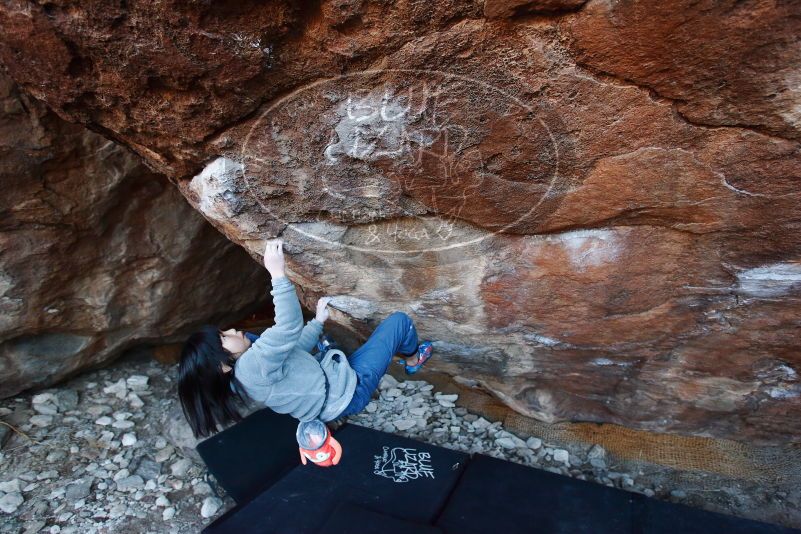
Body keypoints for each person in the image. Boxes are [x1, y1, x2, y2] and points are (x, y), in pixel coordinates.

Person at [178, 238, 434, 464]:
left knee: (315, 344)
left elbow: (292, 350)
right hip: (348, 390)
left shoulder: (244, 375)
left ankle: (324, 426)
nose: (233, 330)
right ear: (222, 365)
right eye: (224, 338)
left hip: (328, 394)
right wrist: (277, 274)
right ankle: (412, 359)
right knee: (399, 322)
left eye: (224, 331)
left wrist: (317, 322)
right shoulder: (252, 366)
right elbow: (288, 326)